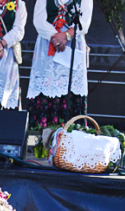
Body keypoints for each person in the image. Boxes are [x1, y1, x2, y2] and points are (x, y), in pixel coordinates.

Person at [26, 0, 93, 128]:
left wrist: (66, 35)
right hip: (48, 44)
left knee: (70, 89)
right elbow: (39, 20)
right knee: (47, 86)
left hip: (72, 44)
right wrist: (55, 36)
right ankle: (44, 137)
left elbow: (85, 21)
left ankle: (69, 140)